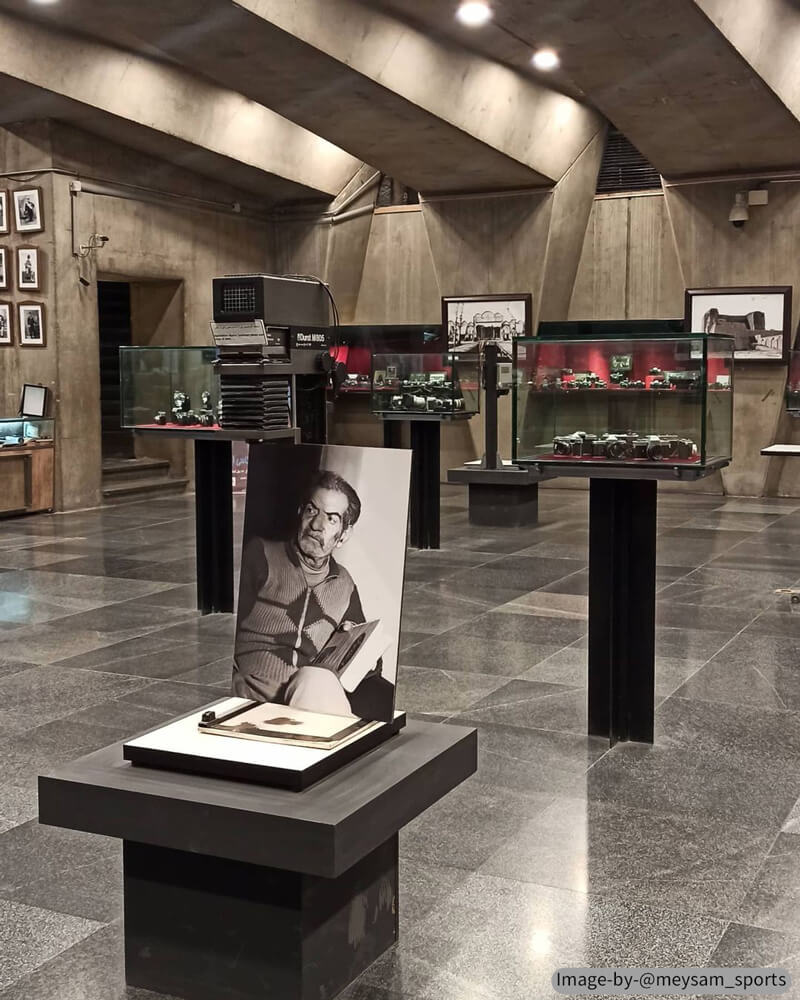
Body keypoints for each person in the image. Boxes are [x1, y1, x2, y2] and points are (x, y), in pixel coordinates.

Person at [232, 470, 386, 716]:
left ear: (343, 535)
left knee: (318, 680)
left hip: (310, 696)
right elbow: (218, 633)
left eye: (332, 518)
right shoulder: (260, 555)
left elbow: (369, 663)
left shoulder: (345, 584)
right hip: (251, 694)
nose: (316, 525)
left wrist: (351, 642)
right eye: (312, 510)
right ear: (300, 513)